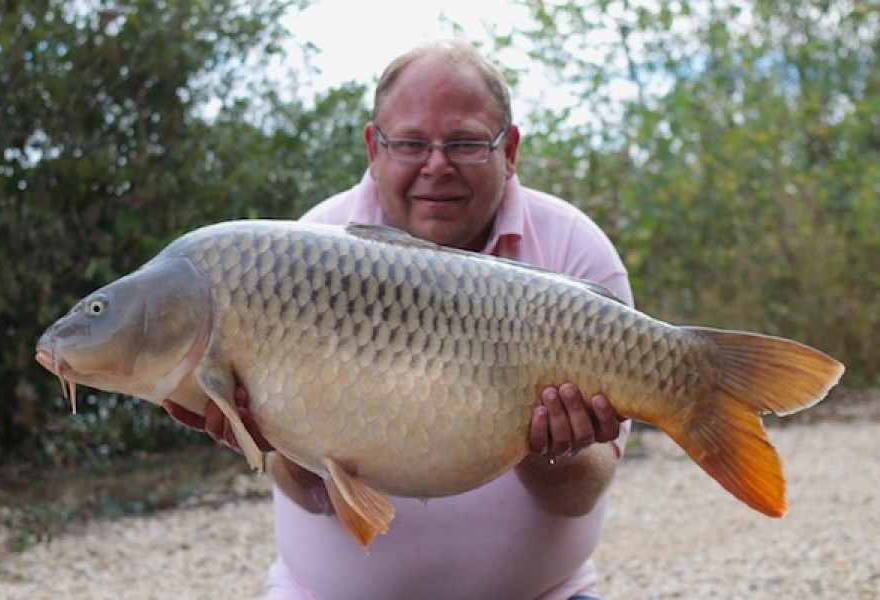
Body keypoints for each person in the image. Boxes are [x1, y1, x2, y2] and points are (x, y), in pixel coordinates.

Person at [165, 40, 633, 600]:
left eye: (464, 142)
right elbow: (313, 494)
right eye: (411, 143)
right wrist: (269, 438)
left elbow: (579, 495)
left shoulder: (573, 251)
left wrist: (554, 449)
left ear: (509, 150)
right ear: (373, 147)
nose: (437, 165)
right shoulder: (300, 251)